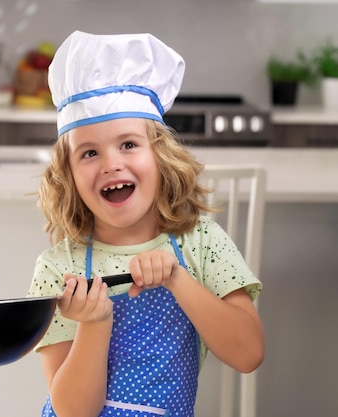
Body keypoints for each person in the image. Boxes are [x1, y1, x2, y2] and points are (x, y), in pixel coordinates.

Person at [26, 31, 264, 417]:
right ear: (67, 175)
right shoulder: (59, 270)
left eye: (128, 144)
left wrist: (178, 280)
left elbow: (248, 354)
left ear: (161, 157)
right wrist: (95, 321)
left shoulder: (200, 243)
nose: (111, 164)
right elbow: (72, 412)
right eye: (89, 152)